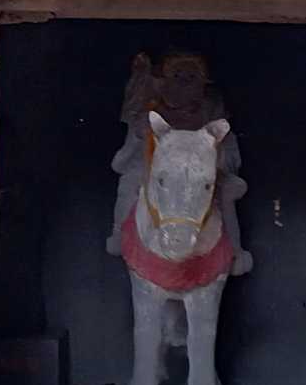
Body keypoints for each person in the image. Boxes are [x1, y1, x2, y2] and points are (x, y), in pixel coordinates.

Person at [107, 49, 253, 275]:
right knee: (131, 182)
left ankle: (234, 249)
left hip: (199, 173)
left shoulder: (208, 112)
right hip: (157, 172)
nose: (184, 82)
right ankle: (119, 233)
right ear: (164, 82)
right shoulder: (153, 112)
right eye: (177, 76)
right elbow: (131, 150)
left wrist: (219, 166)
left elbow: (226, 145)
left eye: (191, 77)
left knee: (224, 194)